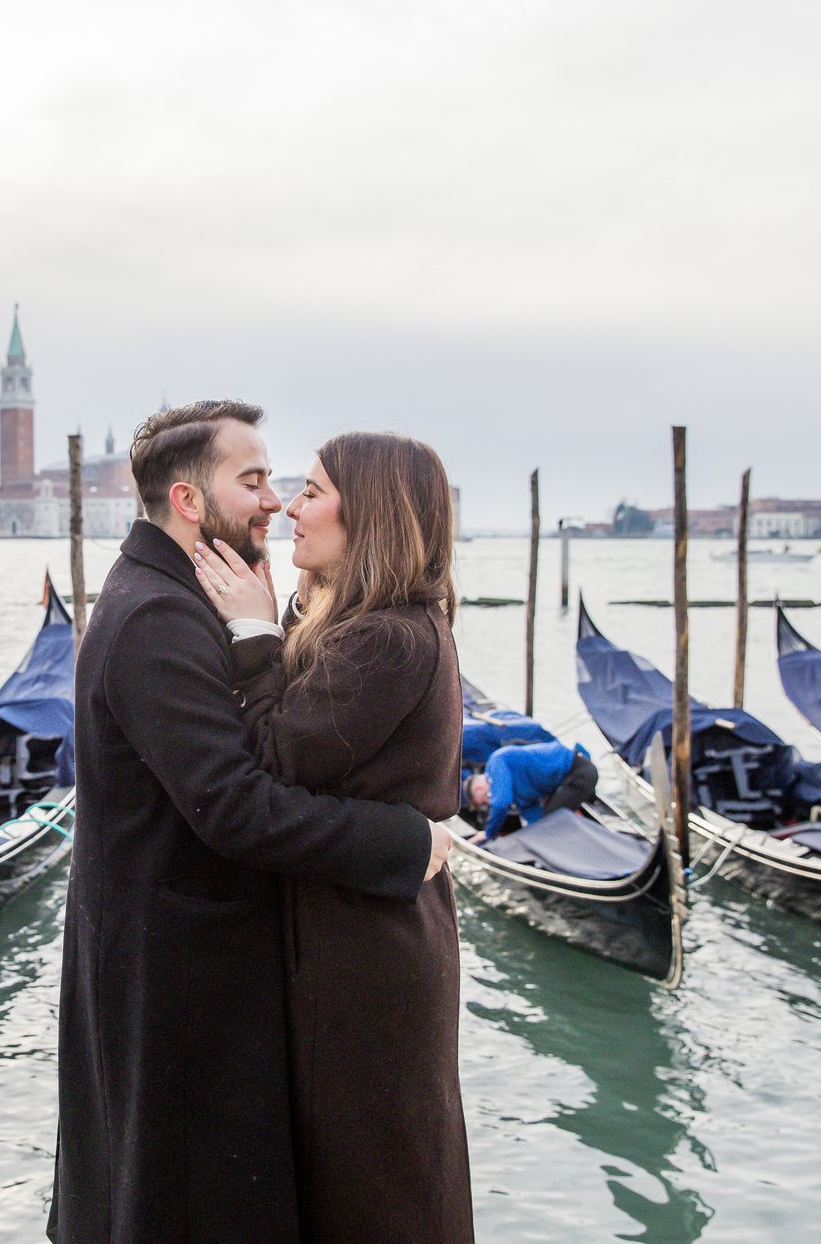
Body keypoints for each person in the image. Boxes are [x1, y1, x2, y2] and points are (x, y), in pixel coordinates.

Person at [51, 402, 454, 1244]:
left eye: (290, 484)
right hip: (180, 977)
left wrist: (264, 631)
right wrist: (402, 841)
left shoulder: (187, 595)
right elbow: (236, 801)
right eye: (256, 481)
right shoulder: (161, 615)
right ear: (191, 502)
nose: (275, 502)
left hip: (219, 969)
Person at [192, 432, 475, 1243]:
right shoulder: (343, 620)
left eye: (312, 492)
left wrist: (250, 635)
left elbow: (276, 759)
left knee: (375, 1173)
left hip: (367, 954)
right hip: (352, 926)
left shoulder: (389, 638)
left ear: (372, 513)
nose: (290, 506)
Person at [466, 739, 599, 844]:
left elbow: (501, 803)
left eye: (485, 798)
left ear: (479, 788)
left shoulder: (496, 761)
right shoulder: (519, 797)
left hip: (579, 772)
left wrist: (488, 833)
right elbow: (534, 819)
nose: (490, 799)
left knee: (549, 823)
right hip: (571, 781)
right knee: (542, 827)